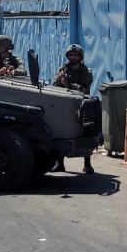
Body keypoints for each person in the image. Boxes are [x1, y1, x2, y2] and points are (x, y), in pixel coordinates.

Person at [52, 44, 95, 174]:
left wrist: (69, 85)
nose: (73, 57)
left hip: (81, 105)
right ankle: (60, 163)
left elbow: (84, 89)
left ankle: (87, 164)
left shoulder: (86, 72)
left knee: (85, 132)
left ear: (80, 57)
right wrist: (59, 79)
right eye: (71, 55)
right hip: (65, 104)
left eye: (76, 55)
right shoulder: (63, 69)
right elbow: (55, 86)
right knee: (59, 131)